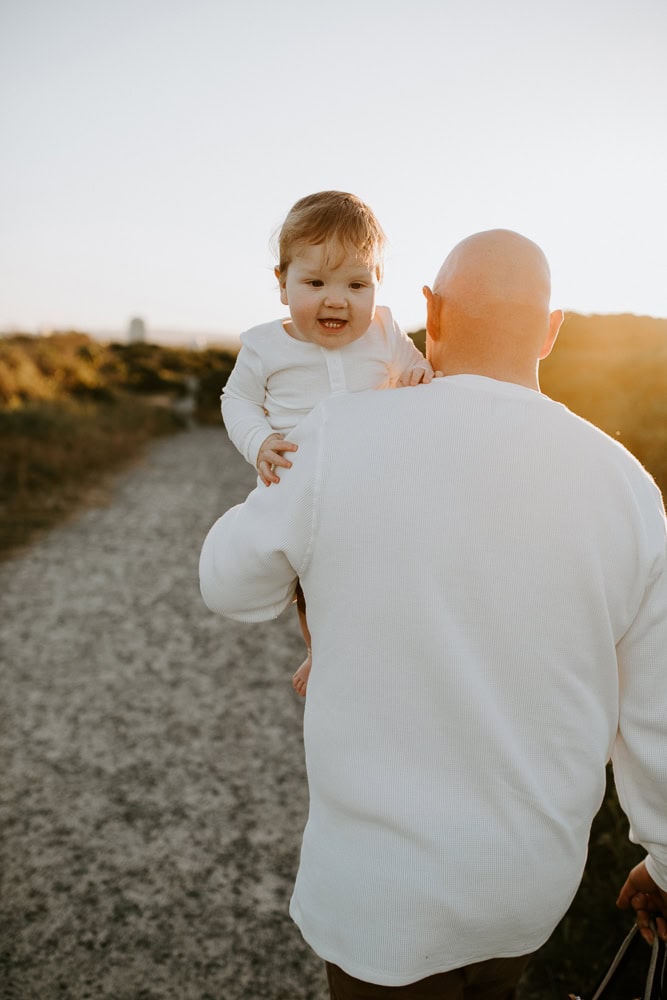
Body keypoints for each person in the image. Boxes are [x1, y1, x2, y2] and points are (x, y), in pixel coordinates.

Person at [199, 229, 667, 999]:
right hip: (525, 887)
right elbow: (655, 706)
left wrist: (299, 505)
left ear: (429, 314)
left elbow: (228, 584)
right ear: (550, 331)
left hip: (380, 892)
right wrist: (662, 859)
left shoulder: (340, 433)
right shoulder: (625, 485)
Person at [220, 191, 433, 695]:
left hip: (375, 484)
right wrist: (260, 441)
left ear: (377, 287)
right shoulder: (265, 346)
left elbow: (414, 368)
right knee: (310, 582)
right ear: (282, 284)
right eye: (315, 282)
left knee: (384, 569)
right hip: (300, 489)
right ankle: (320, 650)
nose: (336, 299)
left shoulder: (383, 332)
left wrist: (420, 375)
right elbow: (237, 400)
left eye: (357, 284)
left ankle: (395, 642)